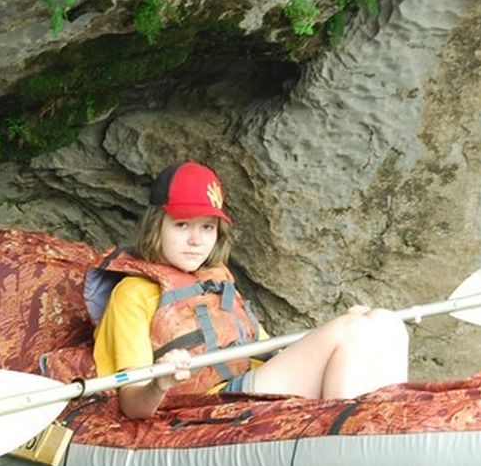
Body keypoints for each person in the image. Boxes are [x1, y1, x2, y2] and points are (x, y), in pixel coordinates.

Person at [87, 161, 409, 419]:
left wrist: (330, 335)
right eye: (182, 225)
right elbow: (132, 404)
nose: (196, 240)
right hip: (215, 400)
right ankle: (351, 436)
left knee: (384, 322)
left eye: (207, 227)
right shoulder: (132, 294)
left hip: (258, 379)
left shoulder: (215, 280)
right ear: (156, 225)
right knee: (352, 330)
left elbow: (269, 351)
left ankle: (388, 425)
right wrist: (161, 382)